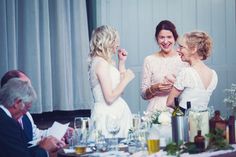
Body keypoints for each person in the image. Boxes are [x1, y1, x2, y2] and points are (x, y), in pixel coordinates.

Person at [0, 70, 72, 144]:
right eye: (25, 86)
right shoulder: (3, 120)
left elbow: (35, 135)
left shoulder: (26, 115)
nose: (30, 90)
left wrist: (60, 132)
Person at [88, 25, 135, 138]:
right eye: (115, 40)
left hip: (116, 114)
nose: (118, 43)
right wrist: (127, 79)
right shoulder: (101, 64)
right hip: (107, 117)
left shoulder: (102, 62)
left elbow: (119, 92)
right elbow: (109, 98)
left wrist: (122, 63)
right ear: (107, 42)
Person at [0, 78, 65, 157]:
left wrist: (40, 145)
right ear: (17, 103)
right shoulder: (7, 124)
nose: (26, 113)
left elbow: (18, 151)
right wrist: (44, 150)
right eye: (26, 108)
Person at [141, 20, 188, 113]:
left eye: (169, 37)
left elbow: (190, 90)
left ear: (175, 38)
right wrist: (154, 88)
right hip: (155, 112)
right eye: (162, 37)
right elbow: (143, 95)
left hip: (178, 110)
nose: (165, 41)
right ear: (157, 39)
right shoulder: (149, 60)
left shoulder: (184, 59)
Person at [166, 31, 218, 111]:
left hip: (186, 120)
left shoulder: (186, 72)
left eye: (181, 47)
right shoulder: (213, 74)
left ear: (193, 49)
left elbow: (169, 102)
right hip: (202, 120)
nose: (178, 50)